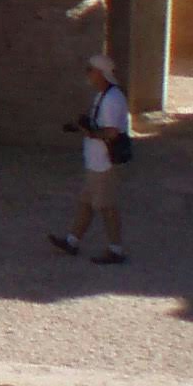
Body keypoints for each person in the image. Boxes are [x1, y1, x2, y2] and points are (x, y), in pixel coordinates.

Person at [51, 51, 130, 266]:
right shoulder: (103, 95)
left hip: (104, 162)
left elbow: (112, 132)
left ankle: (116, 249)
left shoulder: (112, 99)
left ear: (101, 73)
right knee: (86, 202)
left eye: (91, 70)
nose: (88, 74)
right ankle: (72, 241)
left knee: (106, 206)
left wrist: (91, 133)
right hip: (96, 160)